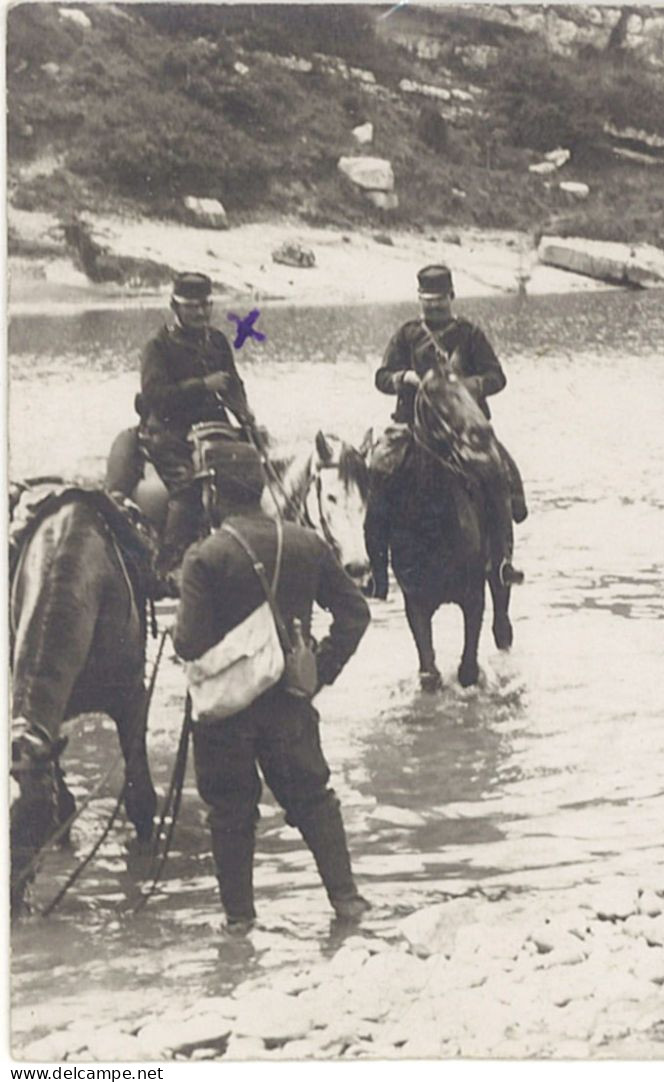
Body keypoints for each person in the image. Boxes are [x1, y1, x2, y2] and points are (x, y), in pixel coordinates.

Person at [174, 440, 372, 931]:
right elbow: (355, 613)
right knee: (314, 800)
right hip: (290, 704)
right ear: (260, 487)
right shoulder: (307, 544)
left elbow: (188, 643)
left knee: (230, 815)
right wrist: (318, 670)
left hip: (226, 714)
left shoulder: (205, 557)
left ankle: (239, 926)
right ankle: (347, 904)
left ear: (214, 495)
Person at [365, 265, 526, 600]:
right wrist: (405, 378)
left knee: (499, 471)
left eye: (440, 301)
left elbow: (497, 377)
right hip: (411, 426)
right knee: (376, 473)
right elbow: (382, 376)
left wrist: (466, 386)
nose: (434, 307)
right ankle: (377, 572)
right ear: (419, 299)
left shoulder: (469, 334)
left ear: (451, 297)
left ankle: (502, 561)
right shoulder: (407, 334)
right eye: (427, 301)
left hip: (463, 427)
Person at [132, 272, 257, 588]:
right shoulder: (157, 346)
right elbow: (155, 396)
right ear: (175, 306)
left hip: (215, 429)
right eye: (192, 307)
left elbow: (233, 383)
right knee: (188, 486)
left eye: (205, 306)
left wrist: (245, 414)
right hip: (169, 430)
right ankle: (170, 564)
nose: (200, 313)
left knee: (250, 476)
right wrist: (202, 385)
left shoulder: (216, 341)